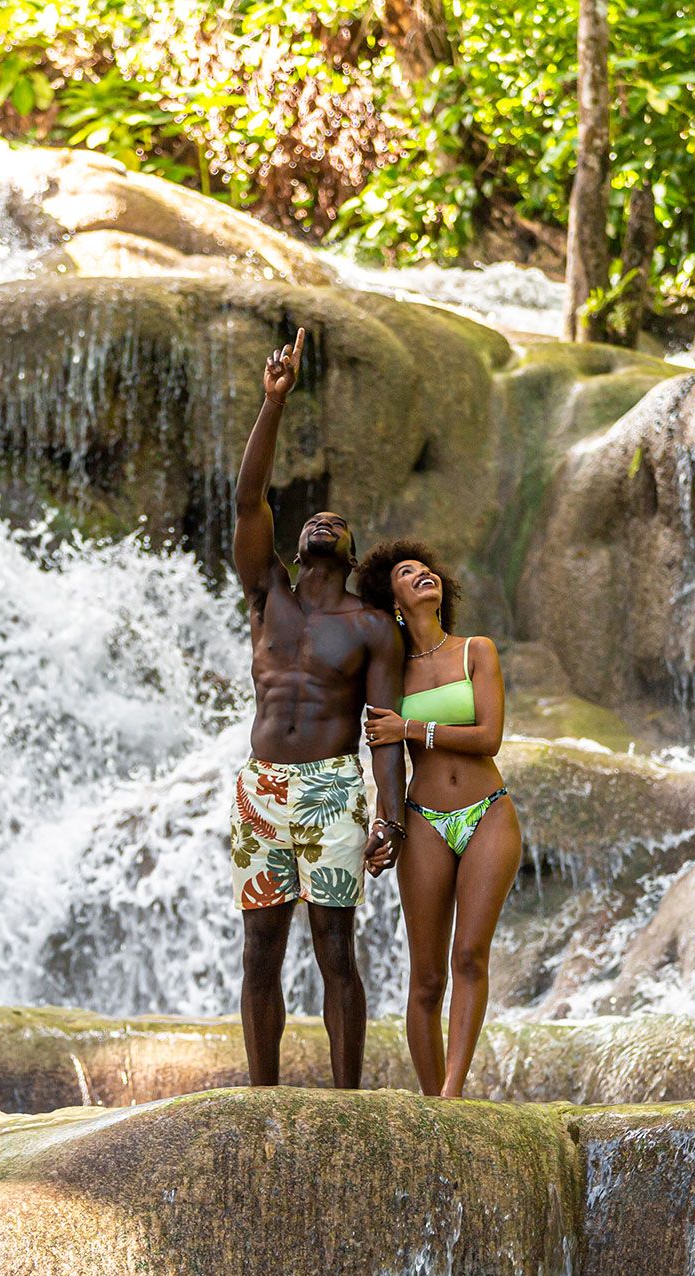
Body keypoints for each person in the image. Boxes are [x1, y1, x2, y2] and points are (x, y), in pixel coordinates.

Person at [230, 327, 407, 1090]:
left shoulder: (372, 629)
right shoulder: (267, 594)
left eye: (334, 521)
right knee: (259, 950)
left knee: (336, 949)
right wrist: (273, 402)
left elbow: (385, 735)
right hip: (262, 788)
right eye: (311, 520)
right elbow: (247, 498)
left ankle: (346, 1101)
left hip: (335, 787)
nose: (320, 520)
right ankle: (261, 1094)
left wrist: (388, 816)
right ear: (297, 547)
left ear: (347, 548)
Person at [356, 541, 521, 1098]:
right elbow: (384, 758)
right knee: (426, 978)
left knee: (469, 956)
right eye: (408, 572)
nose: (424, 573)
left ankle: (452, 1098)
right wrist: (386, 823)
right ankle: (431, 1110)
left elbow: (488, 738)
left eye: (427, 569)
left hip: (488, 813)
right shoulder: (389, 672)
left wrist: (412, 730)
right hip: (423, 817)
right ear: (393, 599)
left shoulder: (477, 650)